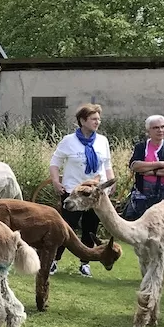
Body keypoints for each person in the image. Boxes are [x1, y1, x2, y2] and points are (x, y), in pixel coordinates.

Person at [49, 103, 114, 276]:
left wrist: (111, 182)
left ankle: (85, 262)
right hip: (73, 192)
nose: (97, 122)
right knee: (66, 227)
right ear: (82, 120)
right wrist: (56, 182)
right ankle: (54, 260)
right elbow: (55, 163)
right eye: (93, 119)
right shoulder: (69, 141)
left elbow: (107, 164)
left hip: (95, 194)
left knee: (90, 227)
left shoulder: (102, 141)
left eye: (99, 119)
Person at [126, 114, 164, 286]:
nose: (160, 130)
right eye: (156, 128)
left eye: (163, 127)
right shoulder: (141, 147)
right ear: (148, 130)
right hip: (144, 195)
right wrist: (160, 165)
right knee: (147, 232)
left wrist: (151, 171)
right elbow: (135, 166)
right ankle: (151, 268)